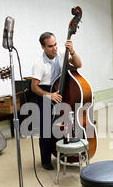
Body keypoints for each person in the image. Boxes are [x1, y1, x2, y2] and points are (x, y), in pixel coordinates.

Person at [30, 32, 82, 170]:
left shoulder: (61, 53)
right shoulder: (38, 64)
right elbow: (33, 87)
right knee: (46, 129)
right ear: (43, 47)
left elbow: (78, 64)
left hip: (60, 88)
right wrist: (48, 95)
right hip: (45, 92)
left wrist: (72, 51)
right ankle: (46, 160)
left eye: (55, 44)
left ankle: (65, 152)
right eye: (50, 46)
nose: (54, 48)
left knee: (64, 124)